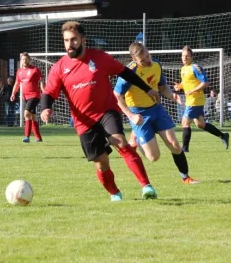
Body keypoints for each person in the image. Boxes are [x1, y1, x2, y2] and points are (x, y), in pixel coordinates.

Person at [40, 21, 161, 201]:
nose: (69, 44)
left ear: (83, 40)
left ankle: (147, 186)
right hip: (83, 121)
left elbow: (125, 73)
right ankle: (115, 193)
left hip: (106, 111)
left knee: (120, 141)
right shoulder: (59, 68)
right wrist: (45, 108)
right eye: (66, 40)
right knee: (101, 162)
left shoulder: (99, 57)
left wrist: (147, 89)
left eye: (73, 40)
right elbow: (49, 92)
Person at [114, 42, 199, 185]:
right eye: (143, 60)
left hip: (156, 109)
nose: (148, 60)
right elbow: (116, 95)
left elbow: (162, 86)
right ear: (134, 60)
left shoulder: (156, 65)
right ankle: (134, 139)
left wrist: (172, 96)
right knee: (154, 157)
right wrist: (131, 115)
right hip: (138, 113)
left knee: (175, 145)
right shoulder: (129, 72)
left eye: (148, 55)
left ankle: (186, 177)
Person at [174, 46, 230, 152]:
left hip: (195, 100)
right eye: (183, 56)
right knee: (200, 124)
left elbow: (205, 82)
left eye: (187, 56)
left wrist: (192, 91)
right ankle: (223, 135)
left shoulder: (195, 67)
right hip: (191, 99)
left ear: (191, 57)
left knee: (185, 122)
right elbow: (186, 82)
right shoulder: (183, 69)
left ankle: (185, 148)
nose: (184, 58)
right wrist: (179, 86)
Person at [11, 53, 45, 143]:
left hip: (35, 95)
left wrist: (44, 92)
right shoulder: (19, 71)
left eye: (26, 59)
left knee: (26, 114)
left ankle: (27, 137)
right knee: (33, 117)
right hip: (25, 96)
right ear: (21, 60)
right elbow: (17, 84)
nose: (24, 61)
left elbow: (41, 81)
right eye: (23, 59)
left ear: (29, 60)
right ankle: (38, 137)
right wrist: (13, 93)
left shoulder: (35, 70)